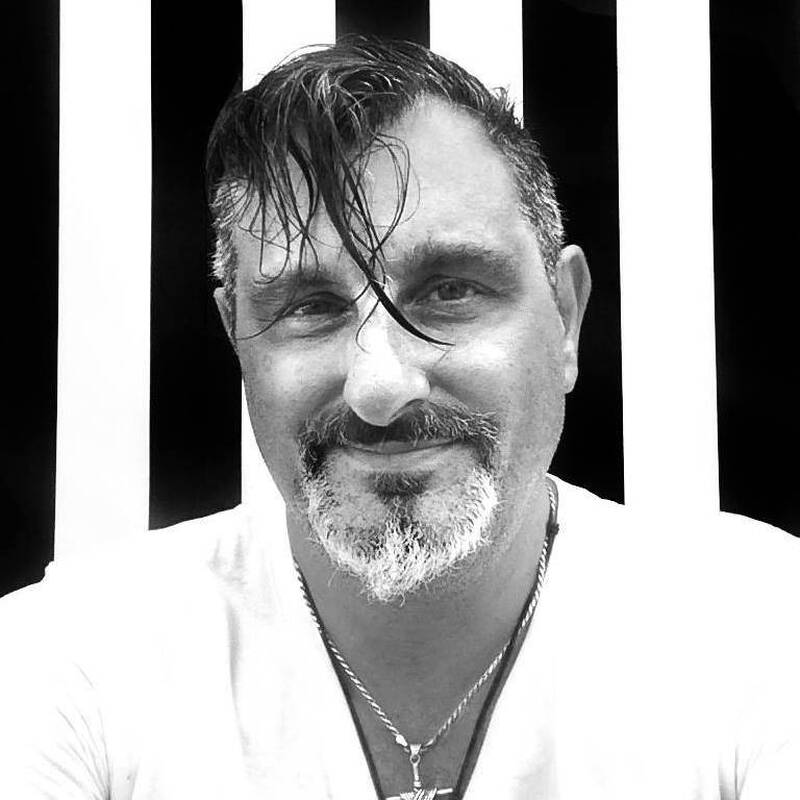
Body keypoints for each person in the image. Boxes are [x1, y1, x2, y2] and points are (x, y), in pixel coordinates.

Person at [1, 37, 799, 800]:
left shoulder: (762, 629)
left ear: (565, 316)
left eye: (450, 290)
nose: (379, 387)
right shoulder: (74, 660)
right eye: (310, 306)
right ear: (236, 337)